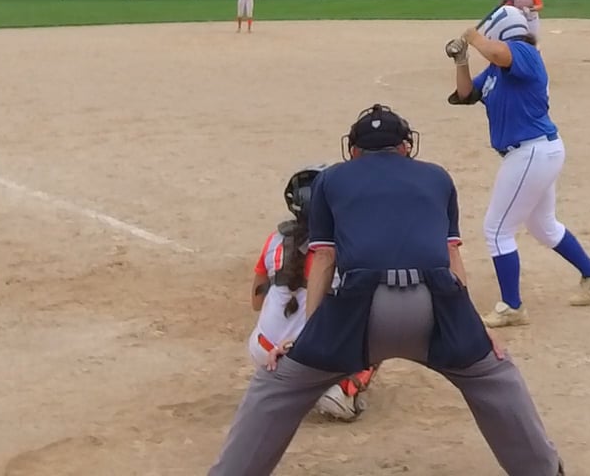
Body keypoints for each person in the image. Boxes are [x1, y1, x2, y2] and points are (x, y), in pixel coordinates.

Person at [207, 105, 566, 476]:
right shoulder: (437, 177)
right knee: (495, 378)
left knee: (276, 385)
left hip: (360, 308)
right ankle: (544, 471)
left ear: (354, 150)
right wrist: (474, 326)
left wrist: (309, 336)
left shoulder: (331, 180)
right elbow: (452, 260)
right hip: (436, 305)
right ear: (406, 147)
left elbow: (325, 259)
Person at [447, 5, 590, 328]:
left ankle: (512, 306)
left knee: (496, 230)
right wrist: (461, 60)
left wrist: (474, 38)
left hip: (531, 151)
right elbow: (465, 94)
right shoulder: (495, 71)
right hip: (534, 153)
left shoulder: (524, 53)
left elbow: (499, 53)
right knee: (543, 226)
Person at [246, 163, 374, 422]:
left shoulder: (274, 241)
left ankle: (283, 382)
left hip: (263, 349)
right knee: (373, 324)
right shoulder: (346, 247)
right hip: (307, 355)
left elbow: (256, 302)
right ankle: (342, 390)